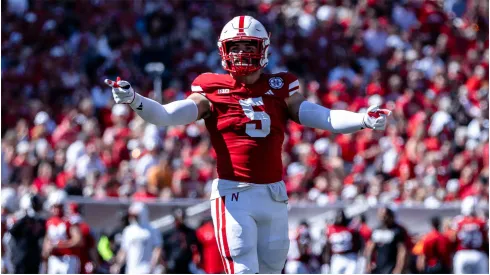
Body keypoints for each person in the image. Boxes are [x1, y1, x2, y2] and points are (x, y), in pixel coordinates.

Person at [105, 15, 390, 274]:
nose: (241, 53)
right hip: (234, 194)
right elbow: (166, 116)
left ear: (263, 49)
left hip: (274, 194)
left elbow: (323, 116)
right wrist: (135, 100)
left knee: (272, 270)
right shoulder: (211, 89)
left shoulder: (280, 86)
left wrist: (362, 119)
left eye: (248, 46)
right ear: (223, 50)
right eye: (235, 47)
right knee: (242, 270)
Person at [111, 202, 162, 274]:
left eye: (135, 215)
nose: (133, 218)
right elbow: (124, 250)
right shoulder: (128, 231)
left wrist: (153, 265)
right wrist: (117, 265)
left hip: (146, 270)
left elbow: (157, 249)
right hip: (131, 271)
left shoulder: (152, 230)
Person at [42, 190, 83, 274]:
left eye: (58, 206)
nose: (56, 209)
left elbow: (78, 240)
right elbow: (47, 240)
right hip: (54, 259)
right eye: (54, 206)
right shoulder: (49, 221)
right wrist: (46, 252)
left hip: (68, 258)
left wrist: (60, 245)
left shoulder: (69, 221)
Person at [8, 194, 46, 274]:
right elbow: (12, 231)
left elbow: (41, 234)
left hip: (34, 259)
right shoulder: (20, 221)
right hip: (21, 258)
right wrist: (24, 217)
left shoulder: (39, 221)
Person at [450, 196, 489, 274]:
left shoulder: (458, 221)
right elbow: (487, 239)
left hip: (462, 254)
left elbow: (452, 238)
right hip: (478, 254)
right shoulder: (482, 222)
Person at [365, 207, 409, 274]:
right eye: (380, 215)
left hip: (392, 266)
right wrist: (368, 263)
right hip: (379, 265)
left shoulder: (398, 230)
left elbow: (402, 251)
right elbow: (370, 248)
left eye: (384, 215)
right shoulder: (377, 230)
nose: (383, 217)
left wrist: (399, 268)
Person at [162, 208, 201, 274]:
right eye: (178, 218)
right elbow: (164, 249)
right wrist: (165, 263)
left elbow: (196, 247)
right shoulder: (168, 234)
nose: (180, 220)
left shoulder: (190, 232)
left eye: (182, 218)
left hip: (187, 265)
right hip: (173, 267)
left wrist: (197, 257)